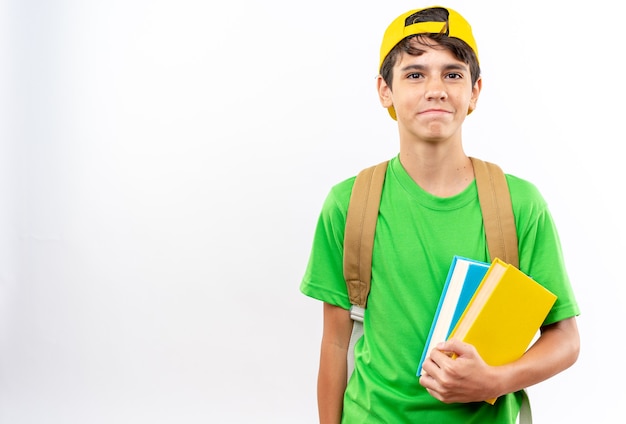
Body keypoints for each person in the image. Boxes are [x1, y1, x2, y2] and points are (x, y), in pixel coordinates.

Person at [299, 5, 580, 423]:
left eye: (452, 74)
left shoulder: (519, 204)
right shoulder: (349, 203)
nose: (436, 89)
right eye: (415, 74)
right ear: (384, 91)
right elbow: (335, 345)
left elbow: (565, 338)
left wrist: (495, 381)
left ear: (475, 91)